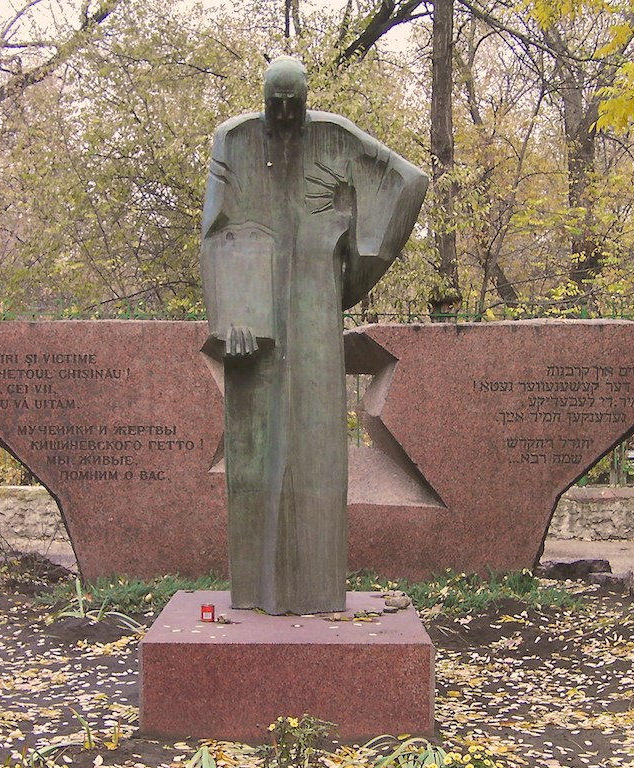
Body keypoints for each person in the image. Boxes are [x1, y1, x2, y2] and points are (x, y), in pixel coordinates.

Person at [201, 56, 427, 614]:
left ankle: (317, 586)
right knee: (255, 446)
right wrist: (233, 312)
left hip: (315, 303)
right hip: (250, 319)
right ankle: (255, 590)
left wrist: (352, 256)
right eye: (273, 103)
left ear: (304, 100)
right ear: (263, 97)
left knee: (316, 439)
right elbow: (215, 232)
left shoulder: (332, 136)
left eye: (291, 104)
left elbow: (407, 183)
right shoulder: (233, 140)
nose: (282, 115)